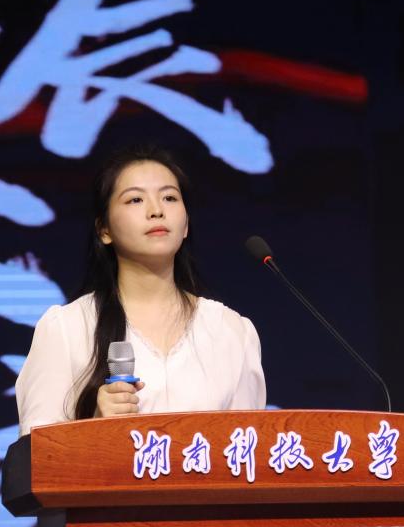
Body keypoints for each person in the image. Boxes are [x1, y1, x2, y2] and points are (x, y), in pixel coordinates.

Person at [15, 144, 267, 436]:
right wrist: (92, 429)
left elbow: (249, 450)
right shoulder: (67, 328)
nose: (156, 211)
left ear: (186, 224)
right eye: (135, 199)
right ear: (104, 230)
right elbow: (36, 452)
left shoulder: (231, 331)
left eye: (169, 198)